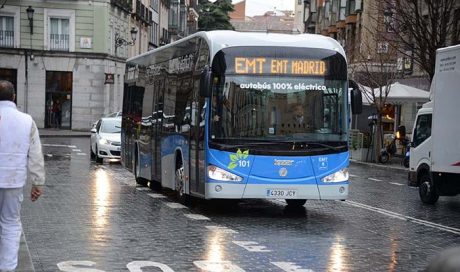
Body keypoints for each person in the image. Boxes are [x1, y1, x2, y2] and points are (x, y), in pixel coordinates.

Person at [0, 80, 45, 271]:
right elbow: (35, 154)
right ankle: (8, 267)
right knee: (10, 224)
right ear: (14, 97)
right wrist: (38, 182)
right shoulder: (27, 121)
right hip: (13, 179)